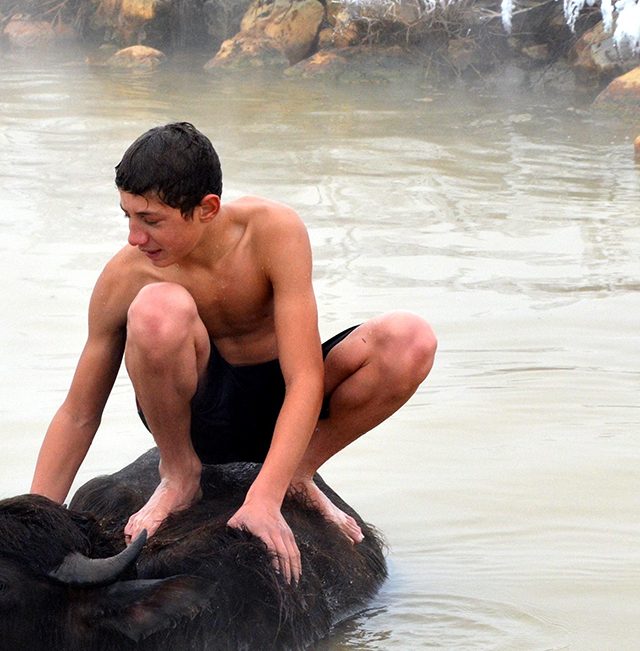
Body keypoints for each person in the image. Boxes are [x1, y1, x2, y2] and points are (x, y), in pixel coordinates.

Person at [31, 122, 436, 583]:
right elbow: (79, 412)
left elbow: (304, 378)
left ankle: (299, 471)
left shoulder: (273, 232)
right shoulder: (127, 275)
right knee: (156, 309)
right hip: (202, 415)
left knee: (411, 338)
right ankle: (179, 474)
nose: (134, 238)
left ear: (207, 209)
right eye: (128, 217)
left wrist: (265, 496)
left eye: (151, 220)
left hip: (283, 399)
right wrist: (32, 520)